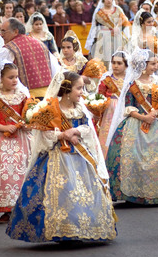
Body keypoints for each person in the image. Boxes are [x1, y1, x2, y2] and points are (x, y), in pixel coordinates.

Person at [6, 70, 117, 243]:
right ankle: (62, 229)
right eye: (79, 89)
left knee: (81, 192)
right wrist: (62, 135)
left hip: (79, 155)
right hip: (57, 155)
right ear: (66, 90)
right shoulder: (51, 107)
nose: (82, 92)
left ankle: (81, 228)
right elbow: (44, 133)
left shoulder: (80, 108)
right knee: (62, 191)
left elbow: (88, 128)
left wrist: (75, 131)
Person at [105, 48, 158, 205]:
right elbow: (128, 107)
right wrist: (143, 117)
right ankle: (134, 195)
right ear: (142, 65)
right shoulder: (132, 85)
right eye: (152, 64)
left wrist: (154, 114)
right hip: (135, 123)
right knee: (133, 155)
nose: (155, 66)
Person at [0, 61, 31, 223]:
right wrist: (3, 127)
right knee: (3, 173)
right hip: (2, 141)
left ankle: (20, 207)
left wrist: (25, 122)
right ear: (1, 78)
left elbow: (29, 116)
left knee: (21, 170)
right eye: (10, 77)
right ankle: (6, 208)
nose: (15, 80)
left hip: (20, 141)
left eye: (16, 77)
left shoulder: (22, 96)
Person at [0, 18, 60, 98]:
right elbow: (56, 71)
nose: (1, 35)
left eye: (4, 31)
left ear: (16, 31)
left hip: (25, 99)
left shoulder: (9, 49)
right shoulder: (41, 45)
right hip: (47, 97)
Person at [85, 0, 130, 69]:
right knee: (103, 60)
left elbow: (125, 21)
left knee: (118, 57)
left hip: (116, 37)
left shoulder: (118, 9)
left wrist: (118, 28)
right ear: (103, 1)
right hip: (103, 38)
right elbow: (96, 26)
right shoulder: (99, 13)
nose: (109, 0)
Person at [97, 51, 128, 158]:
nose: (115, 66)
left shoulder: (130, 79)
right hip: (109, 112)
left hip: (125, 110)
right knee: (107, 136)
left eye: (119, 63)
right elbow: (100, 96)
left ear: (126, 65)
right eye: (113, 63)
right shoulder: (107, 79)